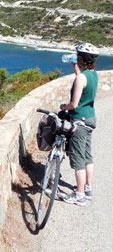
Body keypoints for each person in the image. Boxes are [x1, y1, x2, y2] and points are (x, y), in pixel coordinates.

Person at [60, 43, 99, 207]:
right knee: (87, 156)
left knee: (78, 160)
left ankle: (80, 195)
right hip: (90, 119)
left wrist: (64, 107)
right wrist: (76, 68)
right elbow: (83, 82)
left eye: (77, 55)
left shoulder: (80, 78)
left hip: (79, 122)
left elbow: (74, 104)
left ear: (82, 58)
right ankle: (88, 189)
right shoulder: (93, 74)